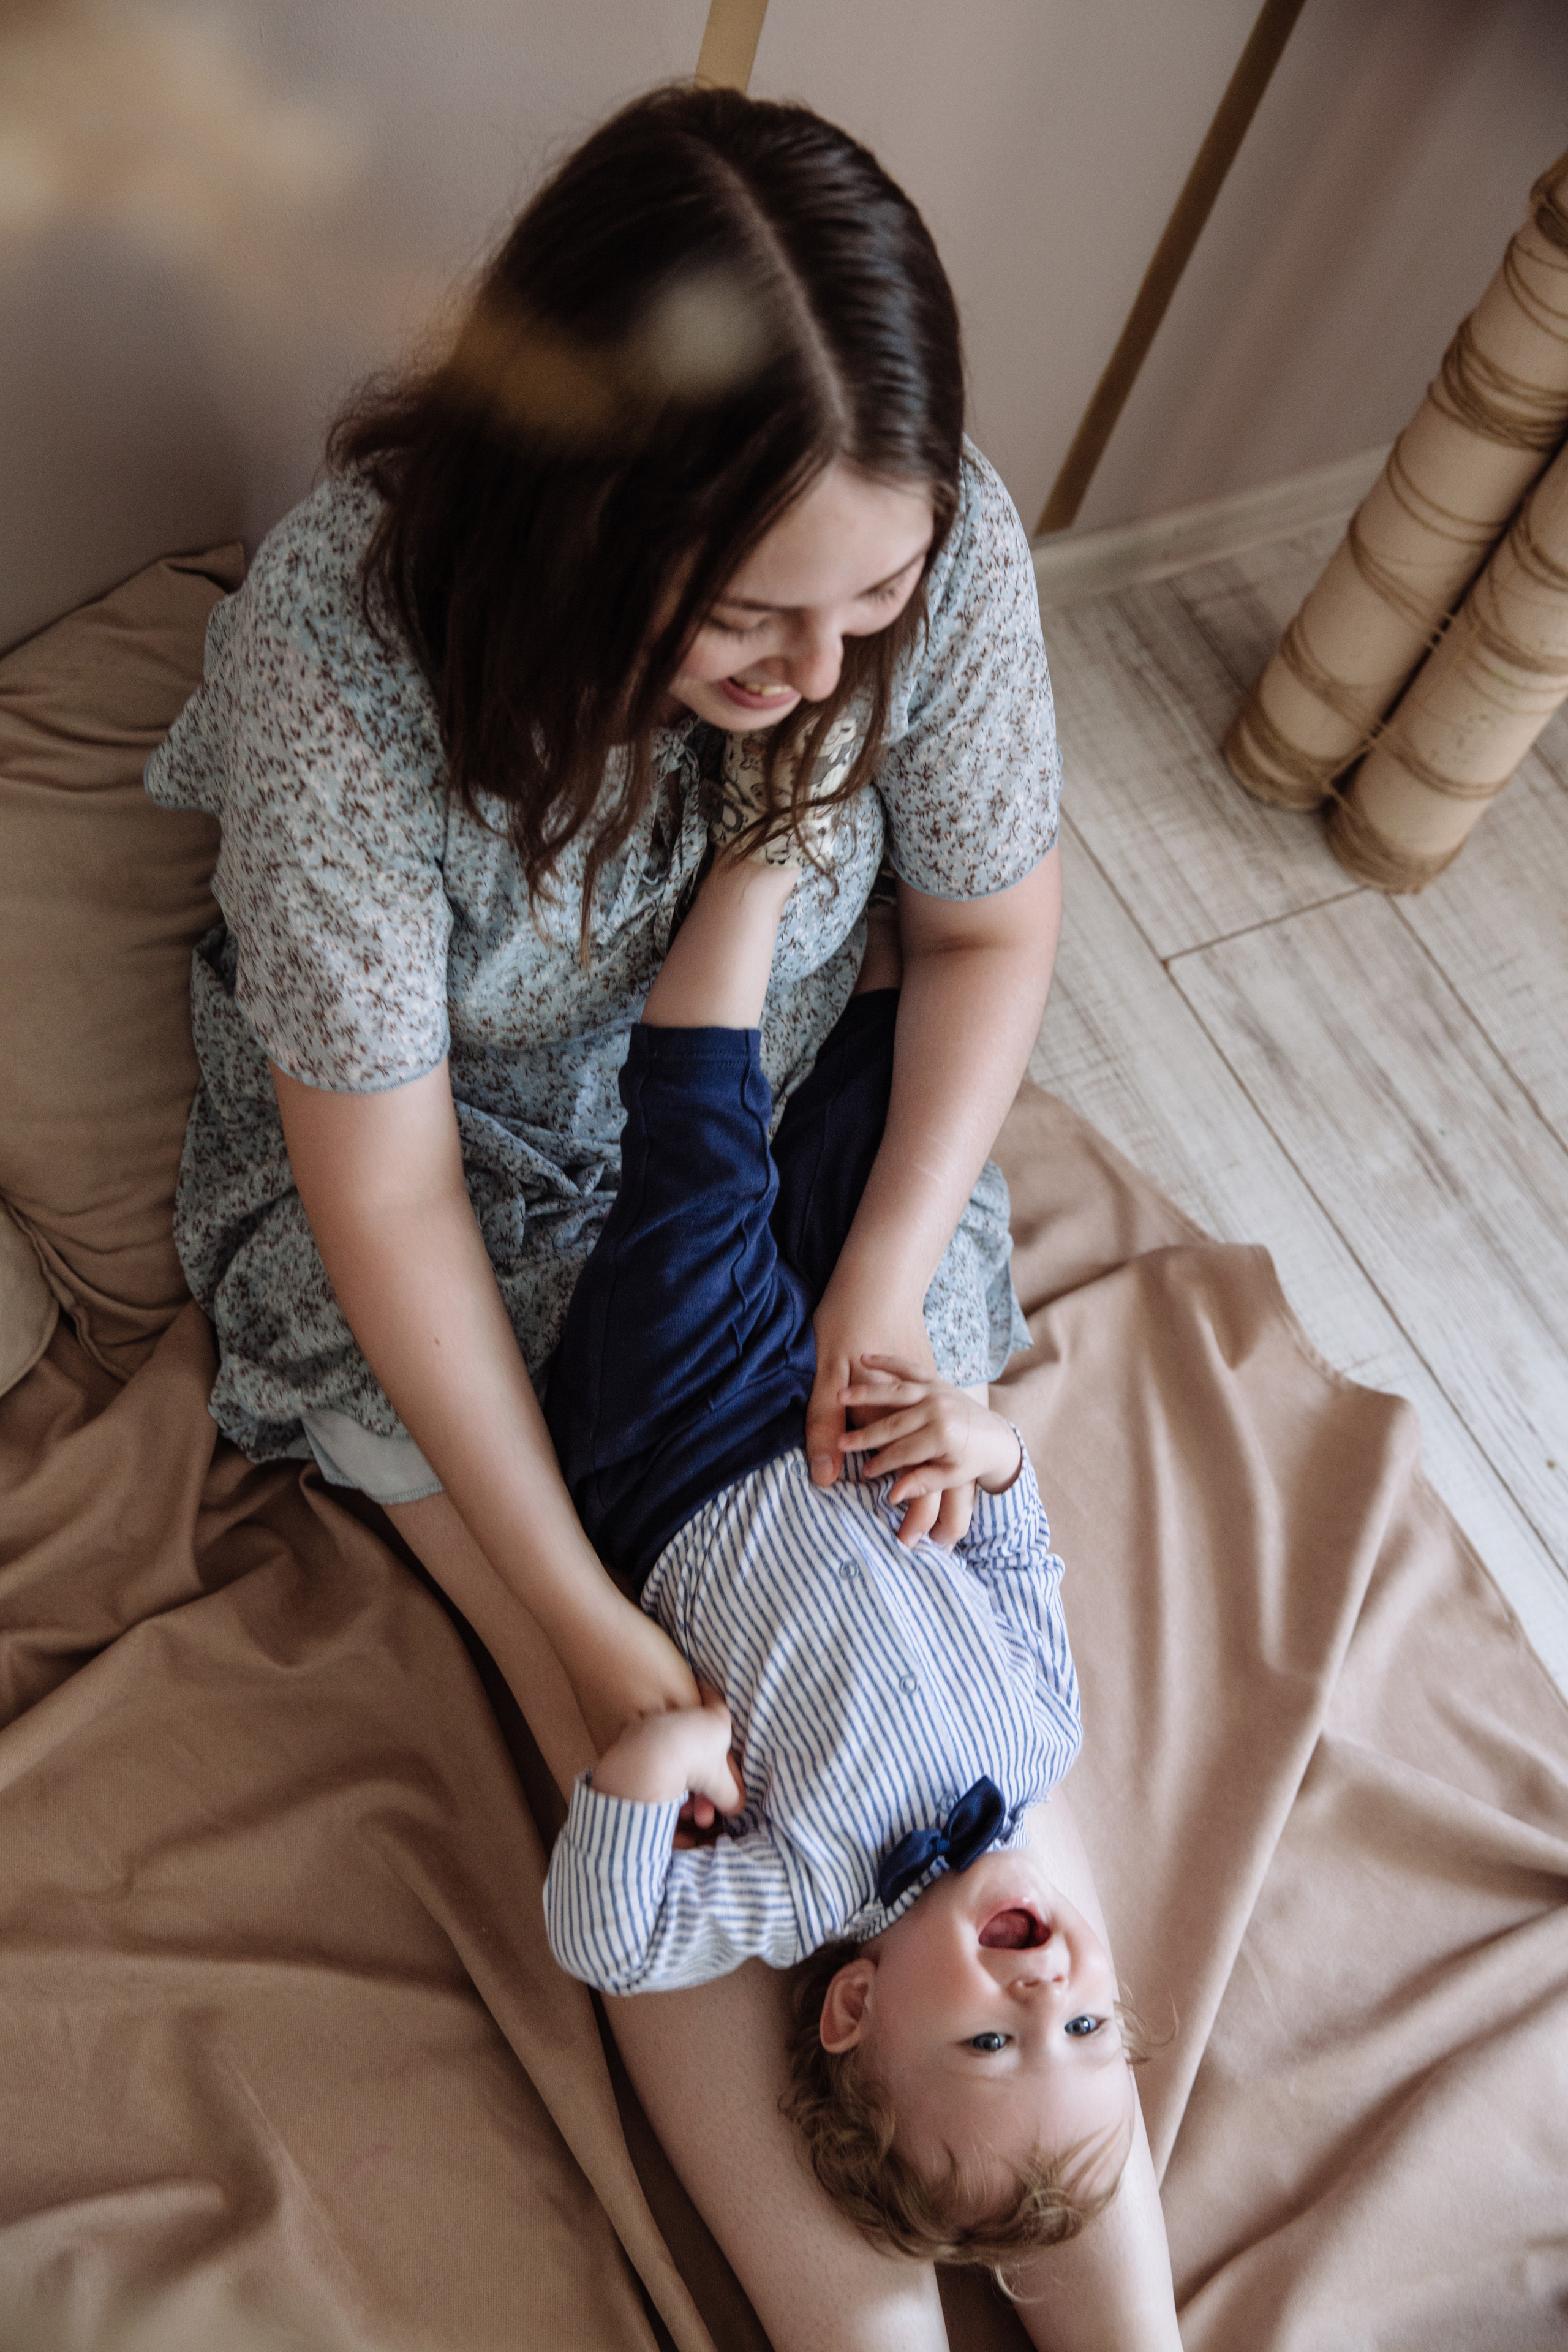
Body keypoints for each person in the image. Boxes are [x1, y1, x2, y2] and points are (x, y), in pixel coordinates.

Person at [145, 81, 1179, 2348]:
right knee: (640, 1717)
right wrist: (589, 1632)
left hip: (787, 1138)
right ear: (574, 513)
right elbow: (388, 1184)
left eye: (874, 609)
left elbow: (984, 932)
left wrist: (882, 1294)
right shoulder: (347, 655)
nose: (824, 683)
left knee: (954, 1744)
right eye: (749, 620)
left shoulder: (940, 549)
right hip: (474, 1190)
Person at [538, 825, 1138, 2270]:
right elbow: (1015, 1563)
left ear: (854, 2007)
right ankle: (875, 931)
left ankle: (751, 869)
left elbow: (604, 1941)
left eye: (992, 2041)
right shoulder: (1041, 1739)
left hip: (673, 1442)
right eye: (1087, 2024)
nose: (1045, 1989)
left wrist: (648, 1768)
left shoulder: (809, 1881)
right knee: (875, 1140)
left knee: (701, 1179)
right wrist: (986, 1453)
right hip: (842, 1403)